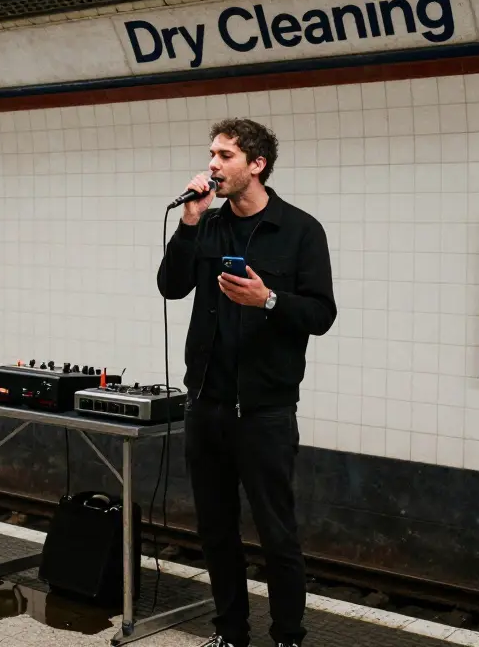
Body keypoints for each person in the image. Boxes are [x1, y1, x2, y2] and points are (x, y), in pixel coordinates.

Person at [156, 118, 337, 647]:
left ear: (256, 165)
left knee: (277, 534)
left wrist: (269, 300)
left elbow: (322, 314)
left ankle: (287, 637)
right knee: (215, 531)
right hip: (207, 407)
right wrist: (189, 223)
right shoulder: (207, 225)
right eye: (212, 154)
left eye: (225, 155)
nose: (213, 165)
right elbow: (171, 287)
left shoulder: (300, 230)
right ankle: (230, 633)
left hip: (265, 412)